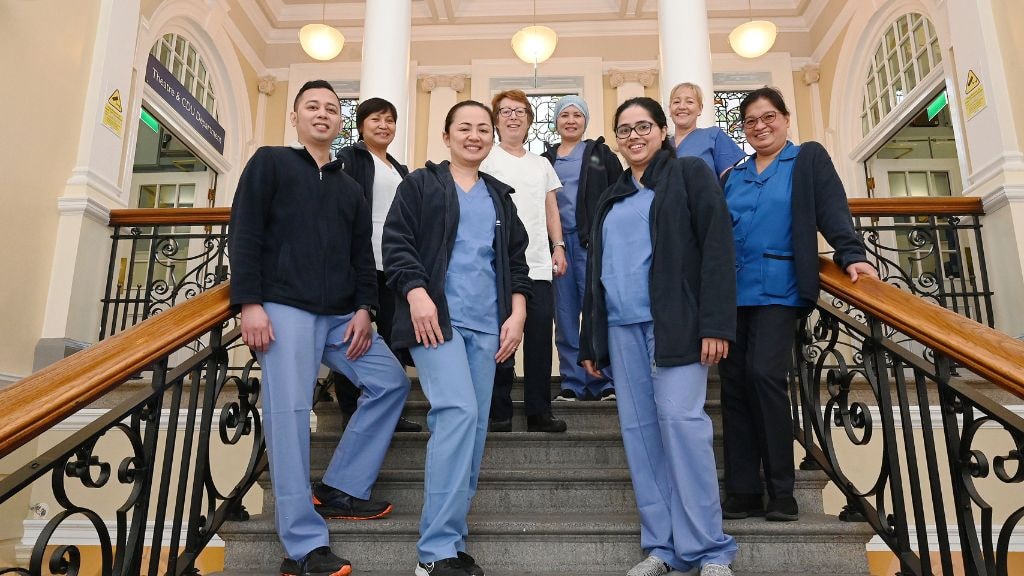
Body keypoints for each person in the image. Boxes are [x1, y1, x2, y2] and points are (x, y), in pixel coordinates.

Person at [229, 80, 412, 576]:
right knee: (288, 416)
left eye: (332, 108)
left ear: (340, 122)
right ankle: (304, 545)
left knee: (390, 382)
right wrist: (249, 302)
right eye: (312, 106)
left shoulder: (351, 186)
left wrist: (364, 309)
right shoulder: (270, 162)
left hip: (340, 315)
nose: (323, 114)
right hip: (284, 308)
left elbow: (361, 256)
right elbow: (243, 231)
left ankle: (341, 487)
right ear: (295, 117)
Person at [580, 96, 738, 576]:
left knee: (682, 427)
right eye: (624, 130)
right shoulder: (612, 194)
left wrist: (715, 324)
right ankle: (662, 548)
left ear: (662, 129)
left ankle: (709, 550)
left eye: (642, 126)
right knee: (641, 436)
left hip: (678, 325)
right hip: (622, 327)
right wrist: (592, 340)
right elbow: (596, 273)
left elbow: (716, 248)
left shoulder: (689, 175)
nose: (634, 136)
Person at [383, 100, 532, 576]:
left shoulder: (499, 196)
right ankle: (435, 551)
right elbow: (397, 242)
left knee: (475, 426)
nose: (475, 135)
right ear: (446, 137)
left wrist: (518, 314)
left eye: (483, 129)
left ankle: (452, 537)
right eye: (463, 127)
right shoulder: (422, 185)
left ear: (492, 138)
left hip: (489, 326)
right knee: (457, 413)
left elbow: (517, 263)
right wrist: (416, 293)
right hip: (436, 321)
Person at [718, 87, 877, 523]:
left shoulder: (806, 160)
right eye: (750, 121)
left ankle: (781, 490)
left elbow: (832, 209)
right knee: (733, 387)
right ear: (743, 129)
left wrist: (852, 254)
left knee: (763, 375)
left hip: (779, 290)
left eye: (768, 116)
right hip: (731, 295)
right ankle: (743, 491)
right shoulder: (733, 174)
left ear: (785, 118)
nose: (760, 126)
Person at [327, 96, 422, 433]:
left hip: (394, 263)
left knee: (395, 336)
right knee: (356, 333)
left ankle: (391, 412)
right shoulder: (351, 157)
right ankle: (353, 411)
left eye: (390, 120)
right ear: (361, 125)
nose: (384, 126)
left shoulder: (400, 168)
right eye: (376, 120)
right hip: (361, 262)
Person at [482, 89, 568, 433]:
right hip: (497, 266)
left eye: (520, 111)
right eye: (506, 111)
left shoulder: (541, 164)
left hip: (538, 265)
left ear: (529, 120)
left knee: (538, 338)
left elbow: (551, 209)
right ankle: (499, 410)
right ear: (496, 120)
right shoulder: (486, 159)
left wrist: (558, 245)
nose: (513, 116)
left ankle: (538, 410)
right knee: (500, 337)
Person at [540, 95, 623, 402]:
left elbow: (619, 194)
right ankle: (572, 383)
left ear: (585, 121)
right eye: (565, 115)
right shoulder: (544, 159)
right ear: (557, 121)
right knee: (563, 316)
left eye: (577, 115)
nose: (571, 120)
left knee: (596, 312)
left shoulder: (600, 154)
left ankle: (604, 382)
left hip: (593, 244)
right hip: (557, 247)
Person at [669, 82, 745, 178]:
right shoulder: (661, 145)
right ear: (669, 109)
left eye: (689, 102)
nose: (682, 107)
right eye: (676, 102)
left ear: (700, 109)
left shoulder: (713, 136)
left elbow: (729, 181)